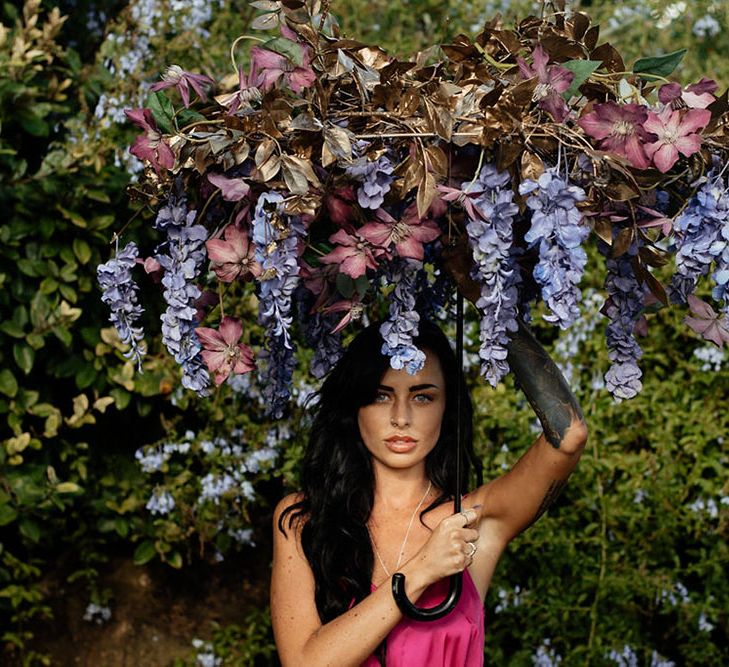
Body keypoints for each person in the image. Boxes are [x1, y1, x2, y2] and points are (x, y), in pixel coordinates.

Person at [271, 296, 588, 665]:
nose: (401, 417)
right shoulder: (304, 519)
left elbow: (569, 436)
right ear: (354, 405)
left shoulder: (471, 520)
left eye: (422, 397)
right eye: (380, 395)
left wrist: (490, 297)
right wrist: (422, 570)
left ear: (446, 407)